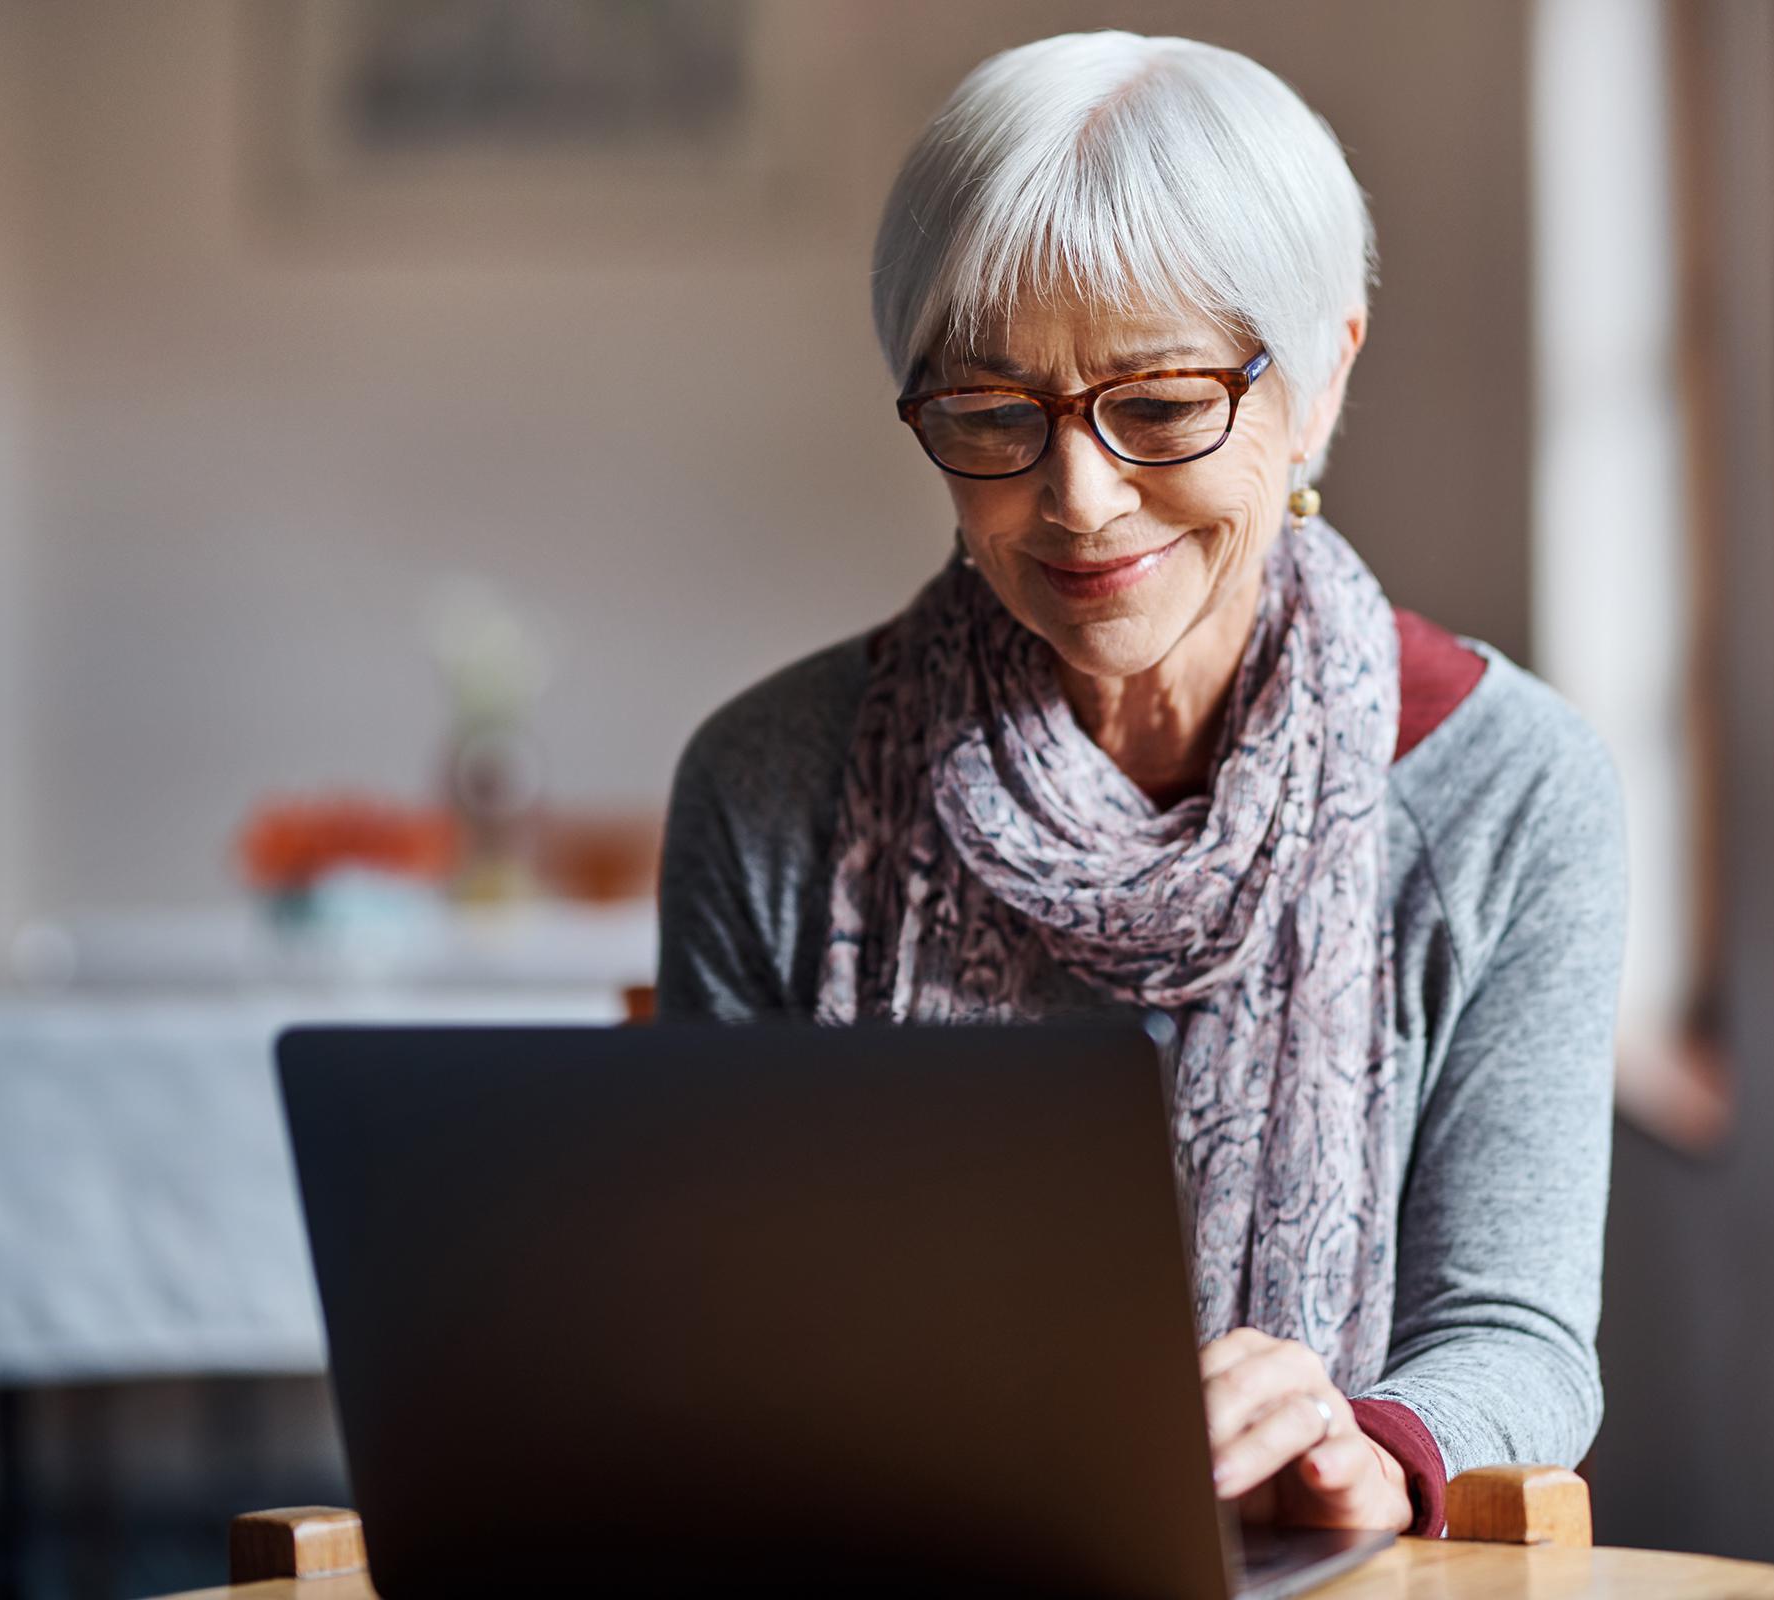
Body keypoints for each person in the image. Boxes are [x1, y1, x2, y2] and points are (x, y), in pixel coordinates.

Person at [658, 30, 1626, 1541]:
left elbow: (1516, 1335)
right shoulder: (767, 786)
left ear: (1314, 390)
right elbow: (720, 1322)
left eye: (1163, 406)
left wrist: (1365, 1442)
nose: (1079, 498)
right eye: (990, 413)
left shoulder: (1512, 786)